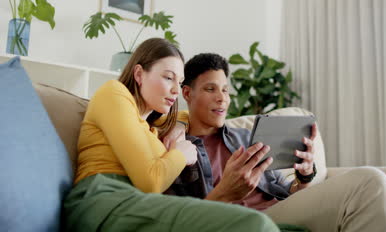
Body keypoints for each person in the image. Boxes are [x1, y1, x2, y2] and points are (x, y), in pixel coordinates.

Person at [171, 52, 386, 232]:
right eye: (211, 89)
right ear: (187, 93)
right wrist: (225, 192)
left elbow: (290, 191)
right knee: (370, 182)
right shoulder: (175, 147)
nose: (223, 98)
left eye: (225, 89)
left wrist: (305, 174)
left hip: (287, 206)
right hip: (256, 219)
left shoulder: (245, 138)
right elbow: (179, 218)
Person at [63, 38, 280, 232]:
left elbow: (187, 115)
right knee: (256, 225)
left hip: (136, 201)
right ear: (139, 74)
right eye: (168, 78)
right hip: (103, 199)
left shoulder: (151, 124)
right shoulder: (114, 93)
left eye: (180, 82)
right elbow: (151, 181)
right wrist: (181, 154)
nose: (176, 91)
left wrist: (178, 126)